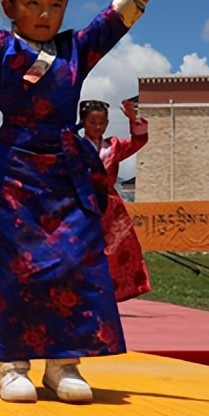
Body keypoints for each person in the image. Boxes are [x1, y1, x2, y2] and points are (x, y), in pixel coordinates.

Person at [0, 0, 197, 403]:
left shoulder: (76, 49)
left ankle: (63, 363)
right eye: (32, 3)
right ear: (10, 6)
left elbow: (117, 16)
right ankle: (13, 363)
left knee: (75, 261)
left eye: (55, 4)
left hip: (67, 171)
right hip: (15, 171)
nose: (45, 13)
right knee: (16, 267)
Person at [79, 99, 152, 302]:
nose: (97, 127)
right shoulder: (75, 146)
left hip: (111, 206)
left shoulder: (114, 146)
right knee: (83, 249)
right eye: (92, 122)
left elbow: (138, 142)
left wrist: (133, 120)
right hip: (83, 204)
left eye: (102, 123)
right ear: (83, 122)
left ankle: (110, 292)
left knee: (117, 248)